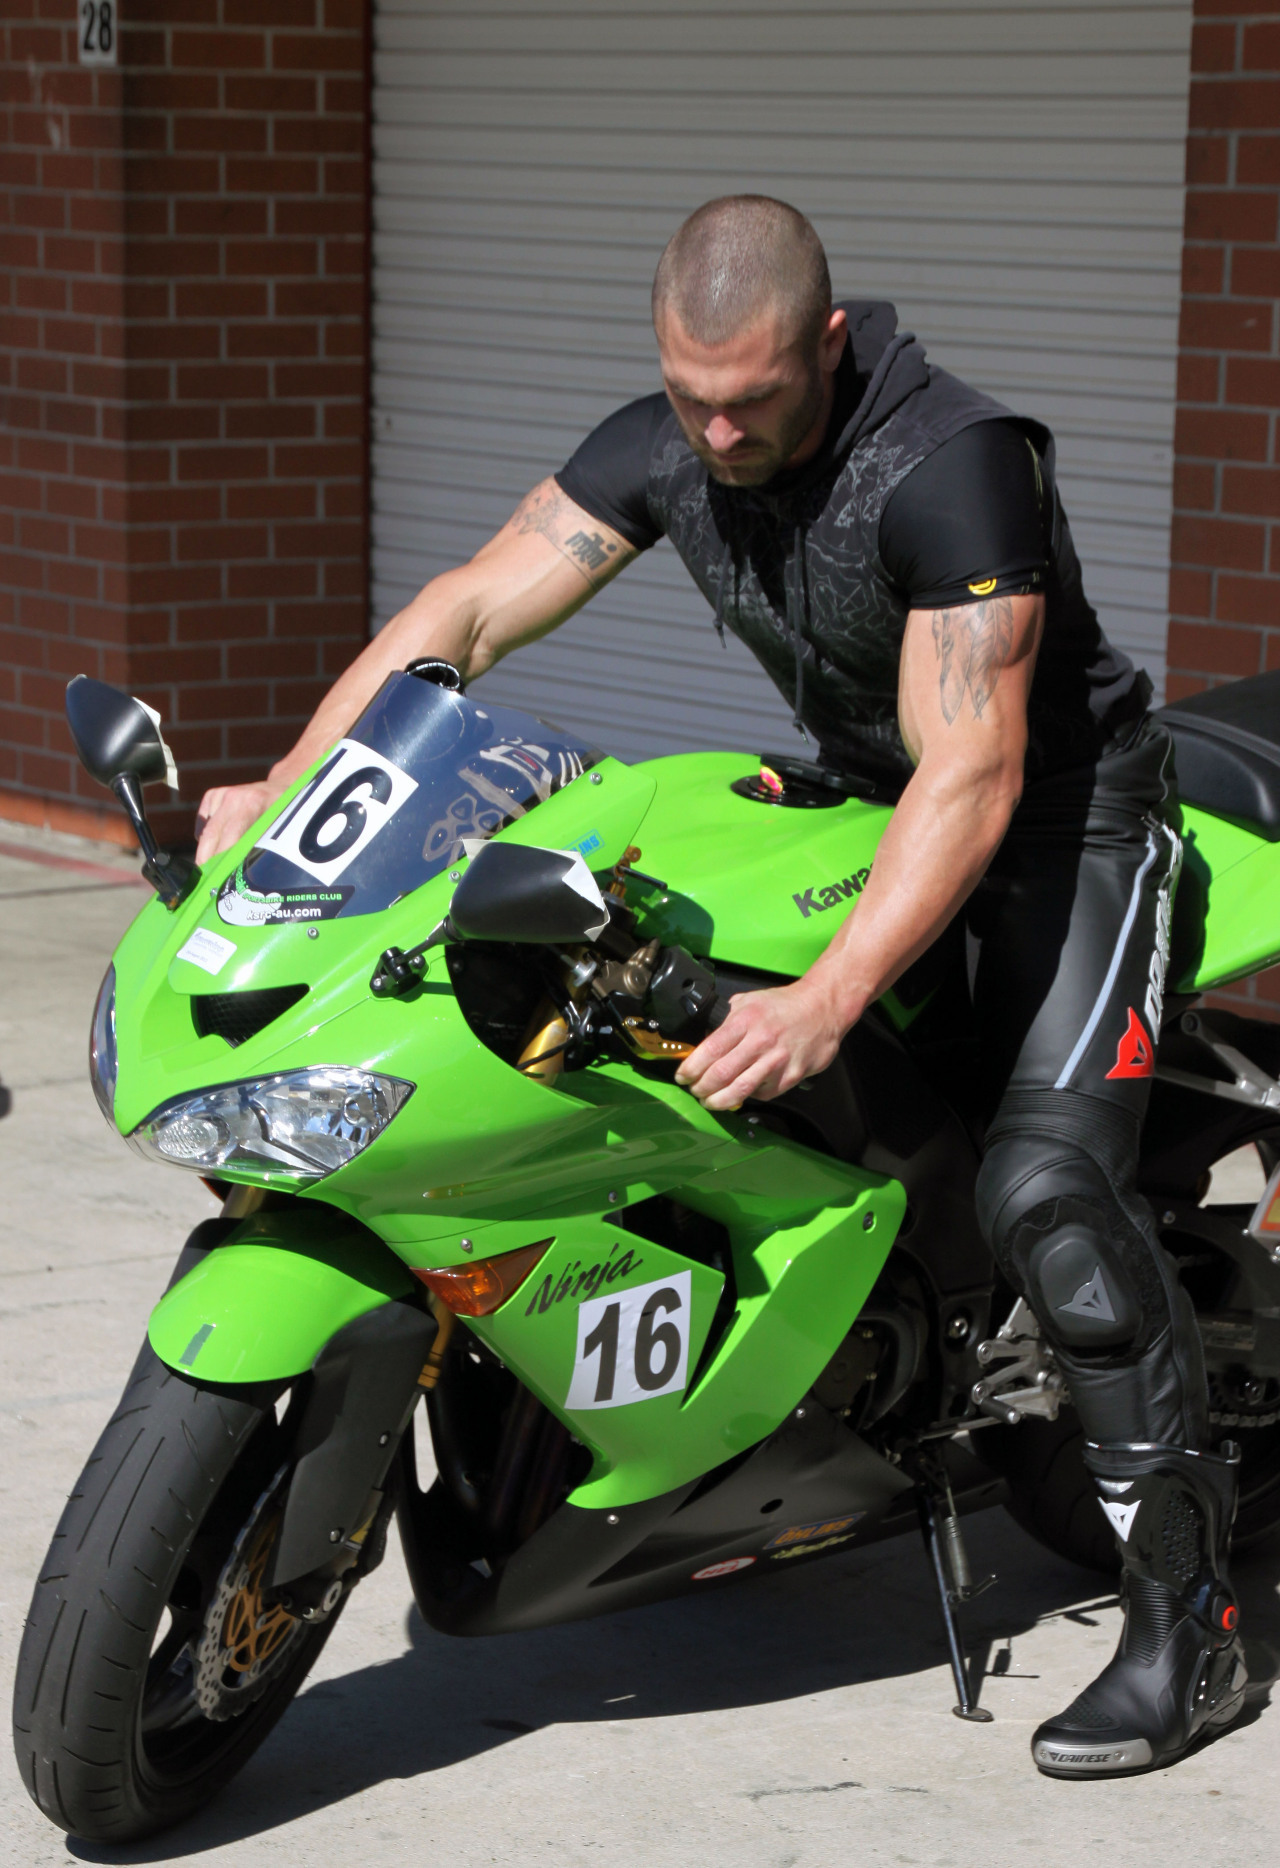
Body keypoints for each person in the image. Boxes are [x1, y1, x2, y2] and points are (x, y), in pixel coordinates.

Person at [196, 196, 1246, 1777]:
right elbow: (465, 617)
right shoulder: (669, 440)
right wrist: (287, 802)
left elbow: (976, 772)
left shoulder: (955, 464)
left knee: (1044, 1190)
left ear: (827, 344)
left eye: (753, 396)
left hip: (1062, 831)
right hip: (856, 805)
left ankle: (1198, 1633)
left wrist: (824, 998)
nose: (721, 428)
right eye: (693, 397)